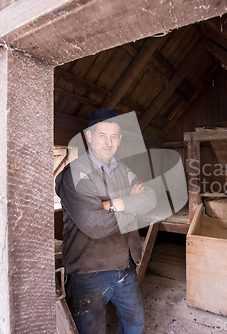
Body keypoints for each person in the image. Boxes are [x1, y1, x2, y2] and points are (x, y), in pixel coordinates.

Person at [55, 108, 157, 334]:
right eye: (102, 135)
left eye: (114, 136)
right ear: (89, 136)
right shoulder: (75, 175)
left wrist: (118, 203)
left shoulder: (123, 169)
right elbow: (96, 225)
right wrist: (133, 205)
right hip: (90, 270)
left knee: (135, 325)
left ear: (120, 140)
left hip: (125, 265)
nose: (108, 142)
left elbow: (150, 198)